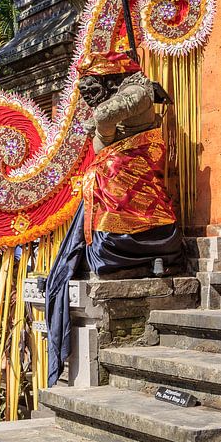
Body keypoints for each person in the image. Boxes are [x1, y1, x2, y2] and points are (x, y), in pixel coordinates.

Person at [45, 52, 184, 385]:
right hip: (117, 172)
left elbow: (104, 118)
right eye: (84, 91)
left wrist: (101, 127)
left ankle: (128, 249)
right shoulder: (116, 97)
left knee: (109, 170)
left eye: (92, 89)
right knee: (104, 172)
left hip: (132, 173)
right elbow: (101, 132)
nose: (88, 97)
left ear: (108, 79)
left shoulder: (137, 92)